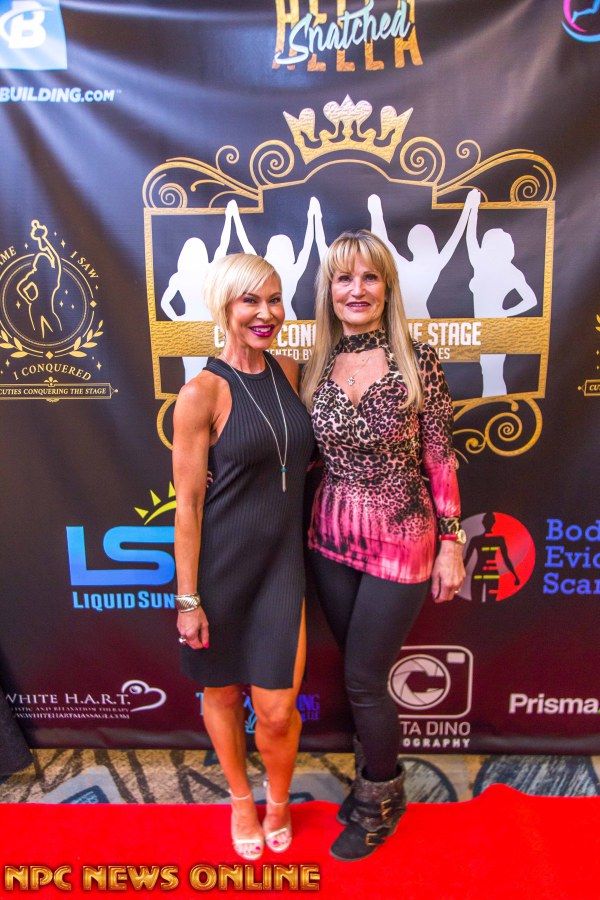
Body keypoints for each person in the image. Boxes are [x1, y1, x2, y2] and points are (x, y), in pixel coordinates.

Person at [301, 230, 465, 861]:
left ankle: (380, 797)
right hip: (330, 534)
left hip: (402, 535)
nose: (357, 290)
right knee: (355, 672)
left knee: (365, 678)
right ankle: (371, 776)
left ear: (387, 288)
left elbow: (439, 456)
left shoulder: (418, 360)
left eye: (369, 277)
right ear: (329, 291)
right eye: (344, 278)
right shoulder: (314, 365)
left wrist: (452, 541)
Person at [172, 253, 314, 860]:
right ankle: (238, 799)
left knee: (277, 711)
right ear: (224, 306)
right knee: (224, 695)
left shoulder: (290, 370)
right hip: (221, 571)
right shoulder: (200, 393)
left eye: (275, 299)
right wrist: (188, 599)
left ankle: (278, 801)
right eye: (250, 300)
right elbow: (187, 507)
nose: (266, 313)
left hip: (282, 567)